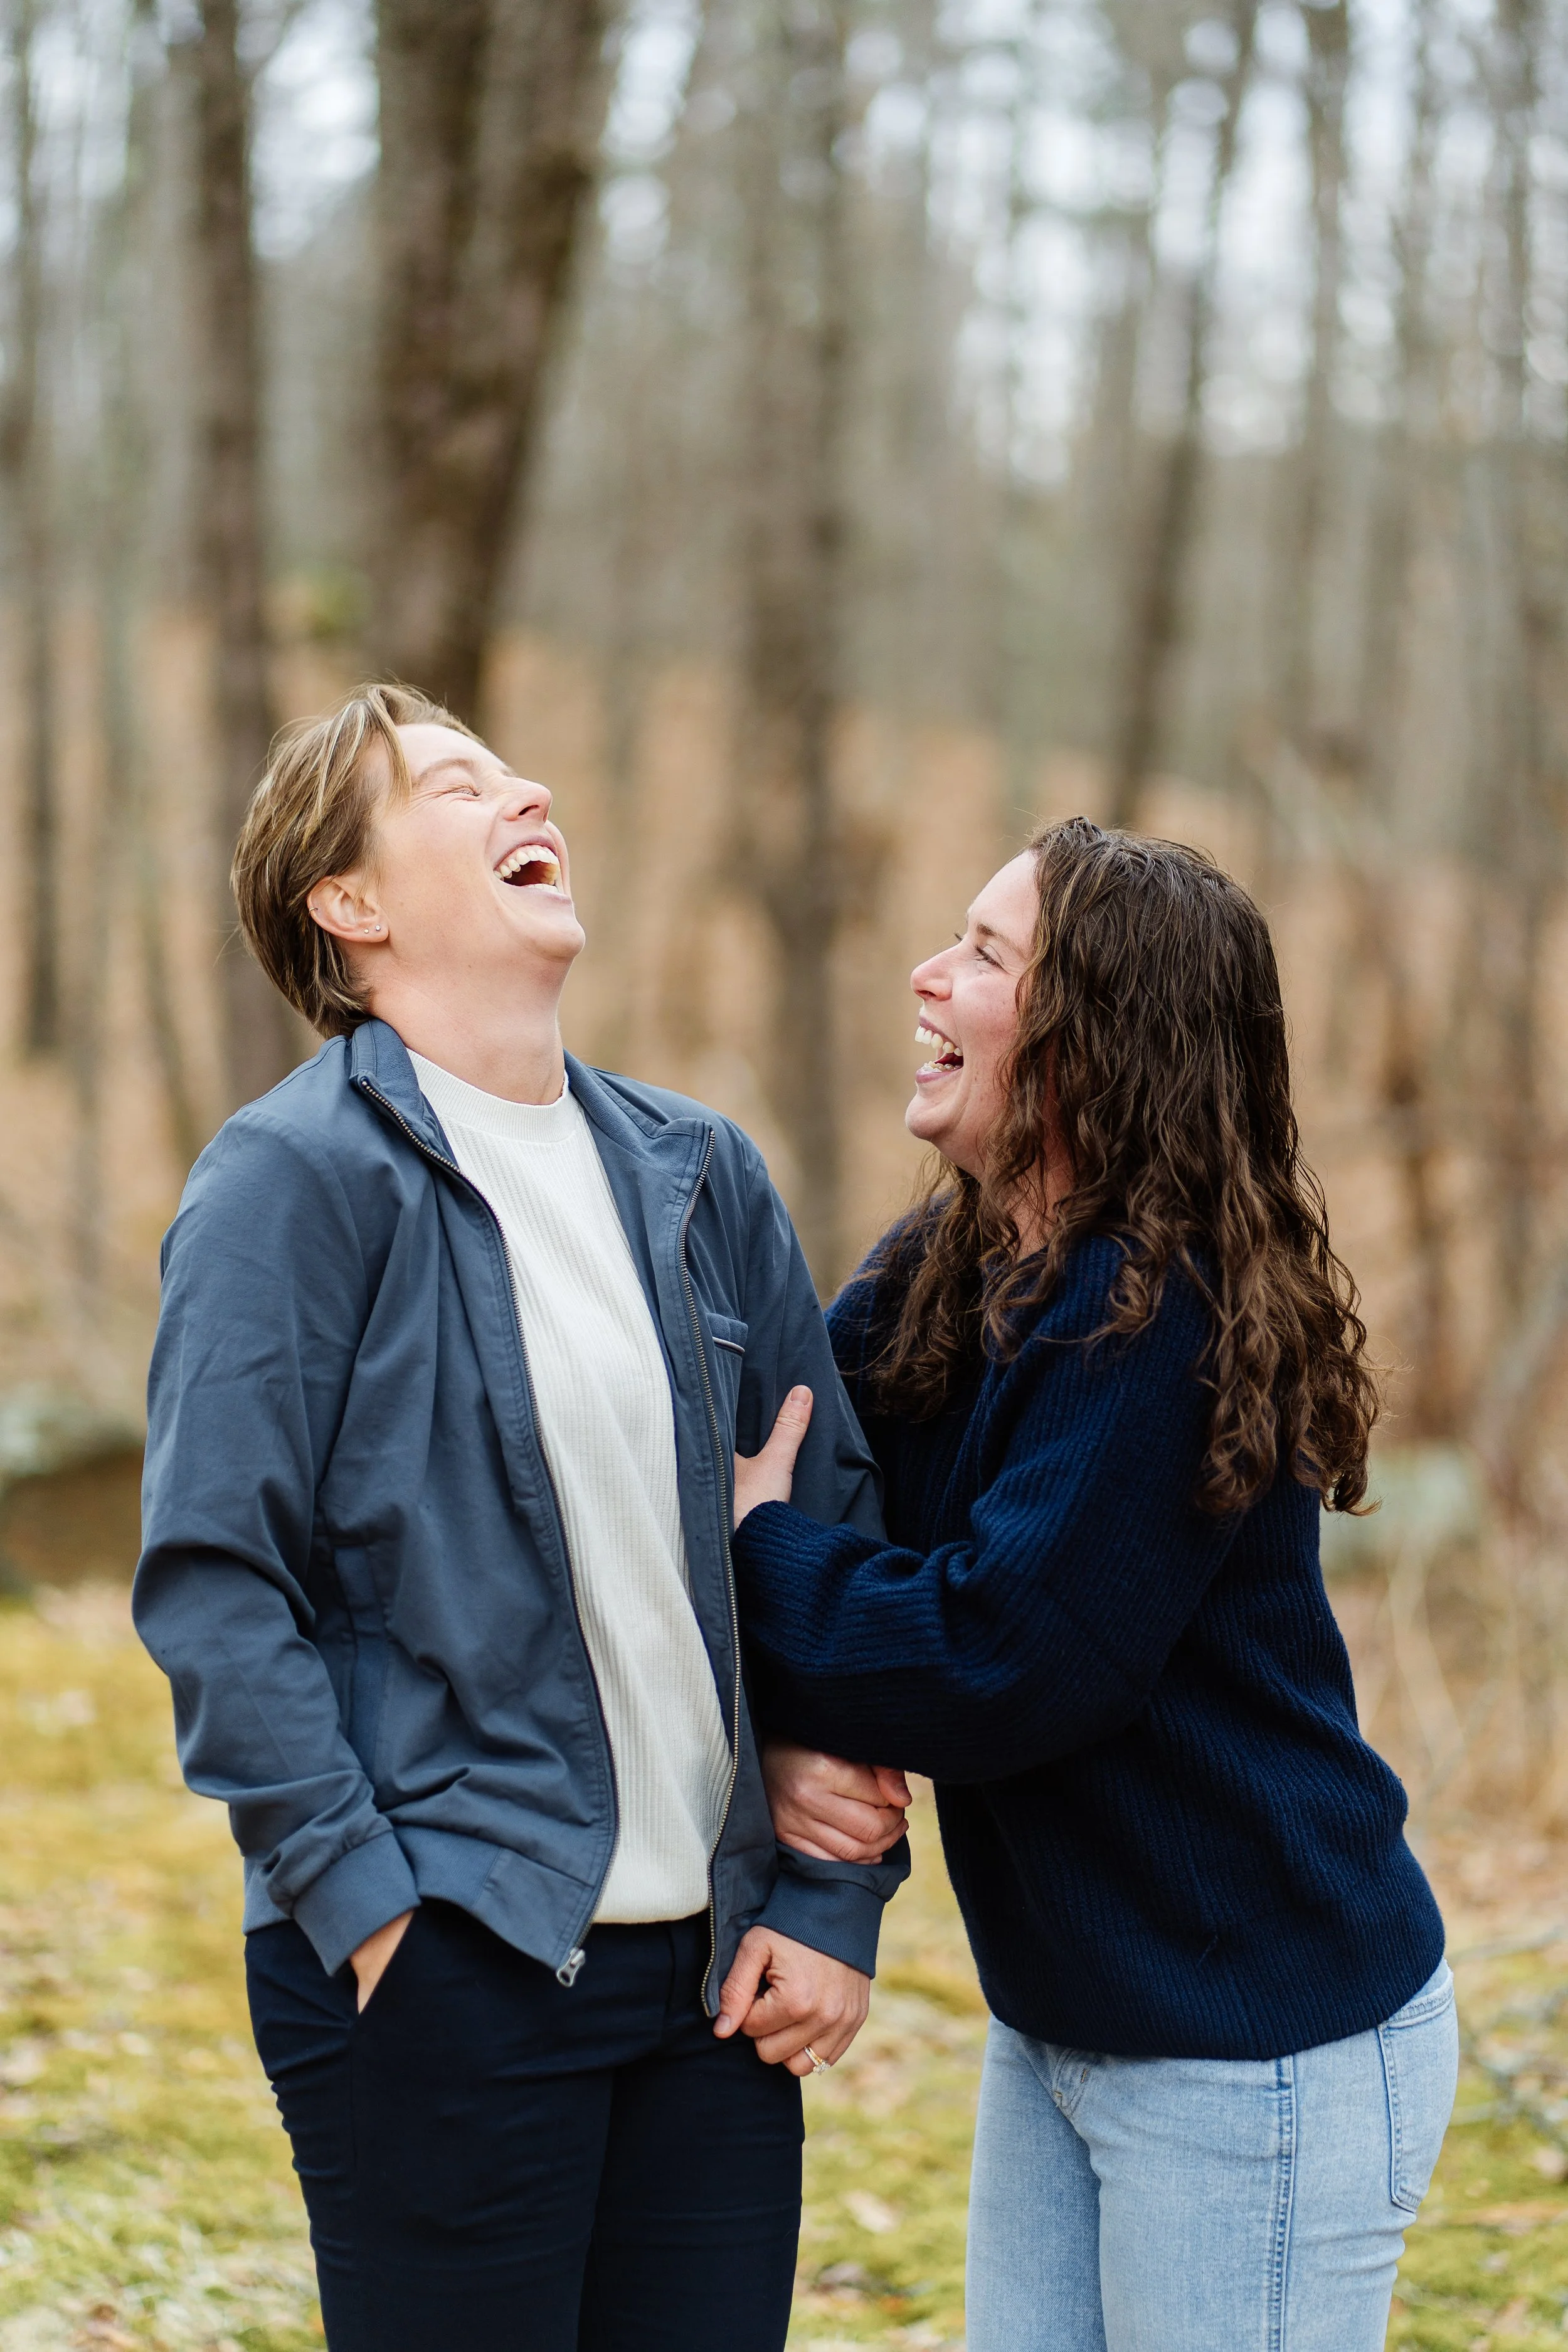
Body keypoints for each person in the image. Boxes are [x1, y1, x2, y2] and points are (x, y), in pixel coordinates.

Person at [133, 682, 909, 2352]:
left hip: (711, 1983)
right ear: (352, 903)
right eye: (454, 781)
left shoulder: (699, 1170)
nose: (527, 786)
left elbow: (833, 1532)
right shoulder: (289, 1182)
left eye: (518, 770)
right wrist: (371, 1914)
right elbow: (216, 1586)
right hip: (445, 1962)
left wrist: (830, 1897)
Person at [729, 817, 1458, 2352]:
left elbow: (995, 1659)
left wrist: (755, 1560)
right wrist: (792, 1727)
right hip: (1070, 2015)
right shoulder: (943, 1268)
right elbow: (785, 1453)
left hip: (1257, 2044)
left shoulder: (1162, 1322)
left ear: (1092, 1043)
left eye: (985, 957)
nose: (924, 972)